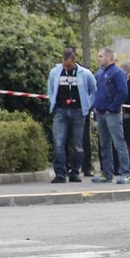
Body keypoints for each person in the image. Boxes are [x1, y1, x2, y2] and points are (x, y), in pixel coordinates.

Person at [46, 48, 95, 184]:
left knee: (78, 144)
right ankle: (60, 173)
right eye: (64, 65)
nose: (66, 67)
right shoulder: (55, 72)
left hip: (78, 111)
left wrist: (87, 105)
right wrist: (53, 102)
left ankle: (75, 172)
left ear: (74, 61)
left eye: (69, 65)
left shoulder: (85, 74)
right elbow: (50, 89)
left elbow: (93, 90)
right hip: (61, 111)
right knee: (59, 143)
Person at [92, 47, 130, 184]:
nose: (98, 58)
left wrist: (112, 107)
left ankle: (125, 173)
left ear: (108, 57)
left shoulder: (117, 73)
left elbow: (123, 92)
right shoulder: (100, 73)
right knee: (104, 145)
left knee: (119, 143)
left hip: (112, 114)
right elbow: (96, 92)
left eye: (101, 56)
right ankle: (106, 173)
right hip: (101, 112)